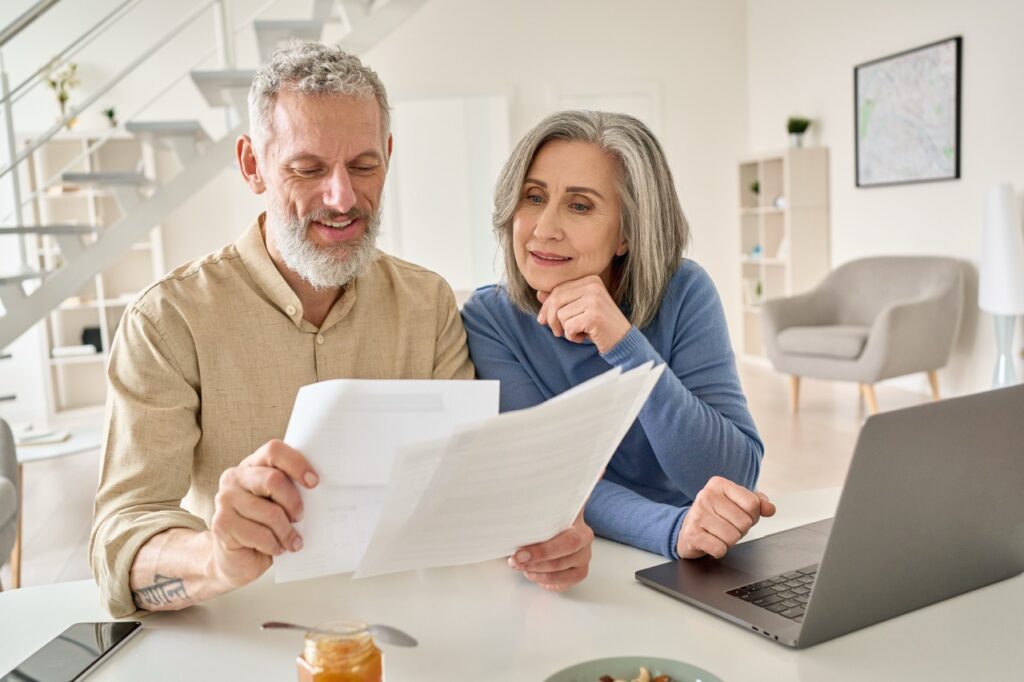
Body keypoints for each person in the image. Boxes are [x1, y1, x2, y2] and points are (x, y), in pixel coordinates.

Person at [89, 44, 591, 618]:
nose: (343, 198)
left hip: (413, 627)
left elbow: (468, 487)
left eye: (363, 165)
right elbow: (121, 536)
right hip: (246, 632)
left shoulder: (427, 304)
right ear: (253, 165)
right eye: (307, 169)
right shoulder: (168, 321)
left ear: (389, 155)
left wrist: (545, 530)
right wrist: (214, 558)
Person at [462, 111, 775, 567]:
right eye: (533, 197)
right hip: (576, 554)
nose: (544, 228)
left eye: (580, 205)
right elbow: (549, 478)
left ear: (627, 232)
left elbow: (732, 473)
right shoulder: (490, 318)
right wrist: (671, 530)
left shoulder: (684, 291)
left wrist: (625, 345)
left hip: (692, 553)